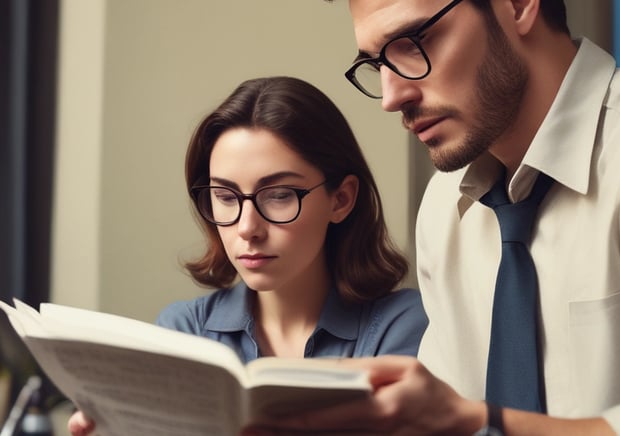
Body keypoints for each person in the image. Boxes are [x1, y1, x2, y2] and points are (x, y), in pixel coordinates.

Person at [243, 0, 620, 435]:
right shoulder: (445, 204)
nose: (392, 94)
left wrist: (477, 421)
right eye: (376, 63)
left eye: (414, 43)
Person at [67, 76, 428, 435]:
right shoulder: (184, 332)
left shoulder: (401, 327)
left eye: (279, 194)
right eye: (225, 197)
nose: (247, 228)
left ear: (341, 199)